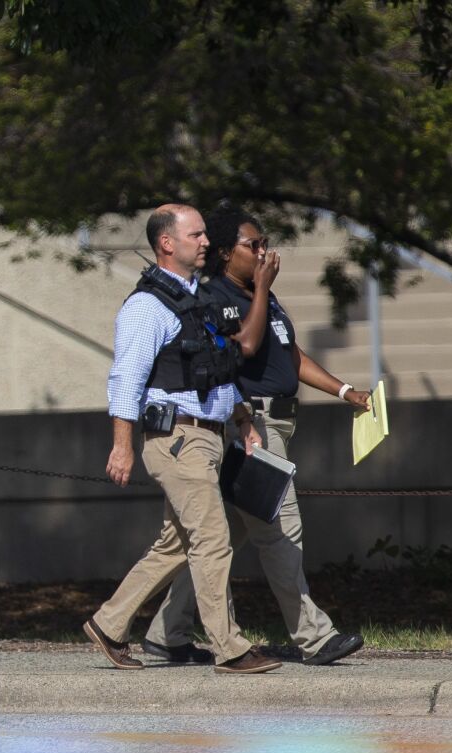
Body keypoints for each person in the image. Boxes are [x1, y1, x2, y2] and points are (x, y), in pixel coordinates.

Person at [140, 207, 368, 668]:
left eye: (265, 244)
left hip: (279, 423)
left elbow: (289, 354)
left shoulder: (264, 297)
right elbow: (244, 345)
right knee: (282, 531)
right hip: (252, 428)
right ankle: (315, 636)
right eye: (254, 245)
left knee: (226, 534)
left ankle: (167, 633)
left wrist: (344, 391)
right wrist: (261, 288)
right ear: (227, 254)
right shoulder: (217, 297)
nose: (265, 253)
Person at [82, 203, 281, 674]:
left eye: (205, 235)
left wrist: (241, 416)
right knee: (212, 538)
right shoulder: (146, 307)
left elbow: (217, 369)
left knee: (175, 544)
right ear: (167, 244)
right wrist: (122, 445)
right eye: (196, 235)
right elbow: (125, 380)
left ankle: (108, 624)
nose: (207, 242)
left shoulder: (197, 302)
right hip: (177, 440)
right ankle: (230, 648)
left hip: (208, 438)